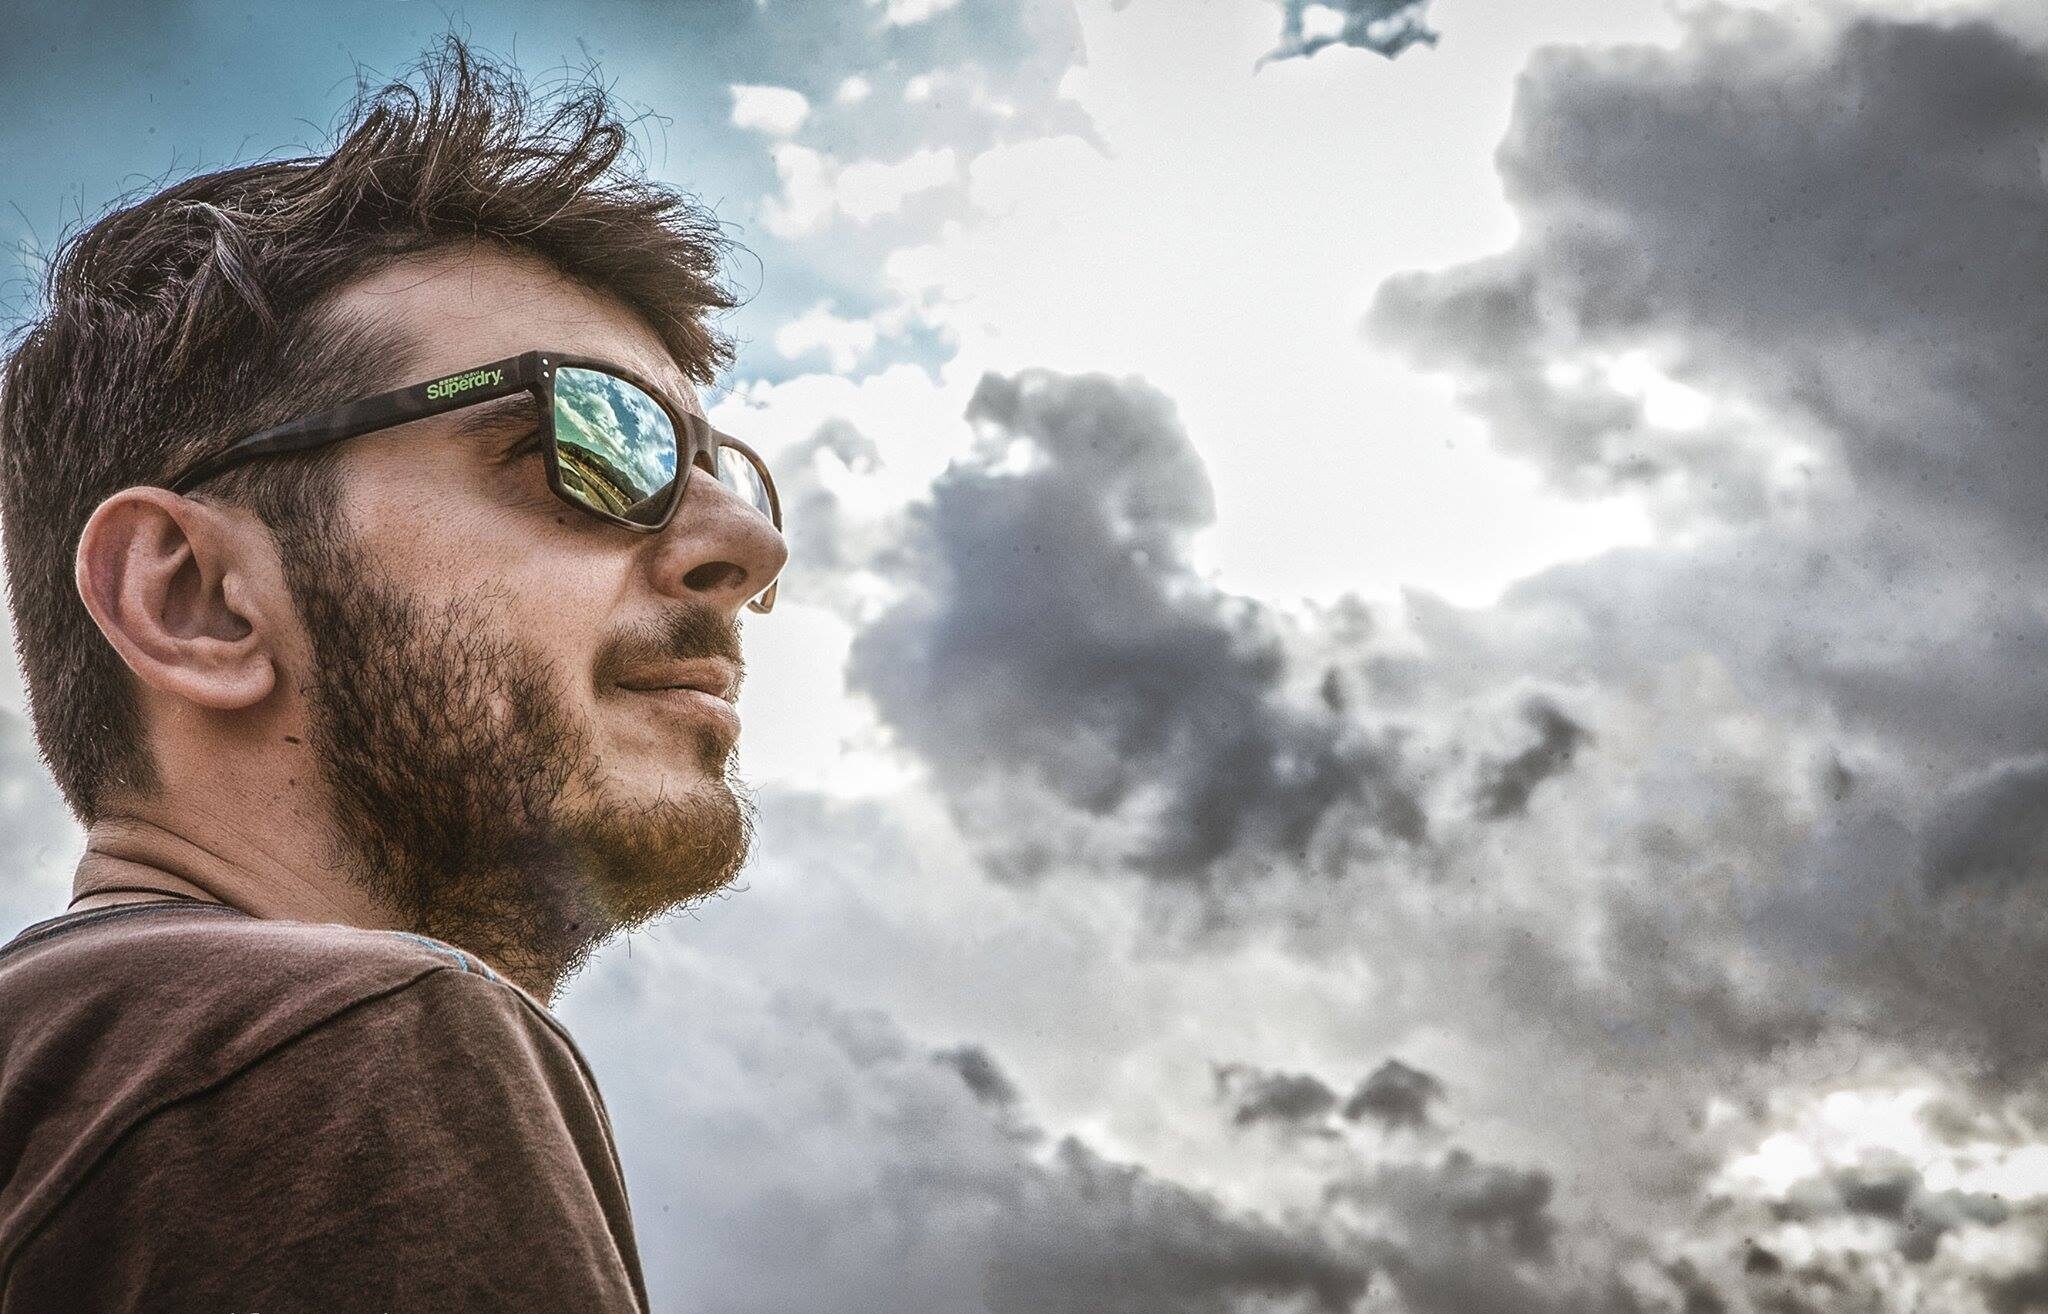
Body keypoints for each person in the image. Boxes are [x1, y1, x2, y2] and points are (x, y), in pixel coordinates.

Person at [0, 35, 787, 1311]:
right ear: (194, 599)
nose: (745, 547)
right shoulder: (350, 1037)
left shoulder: (71, 1091)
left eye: (722, 468)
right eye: (587, 437)